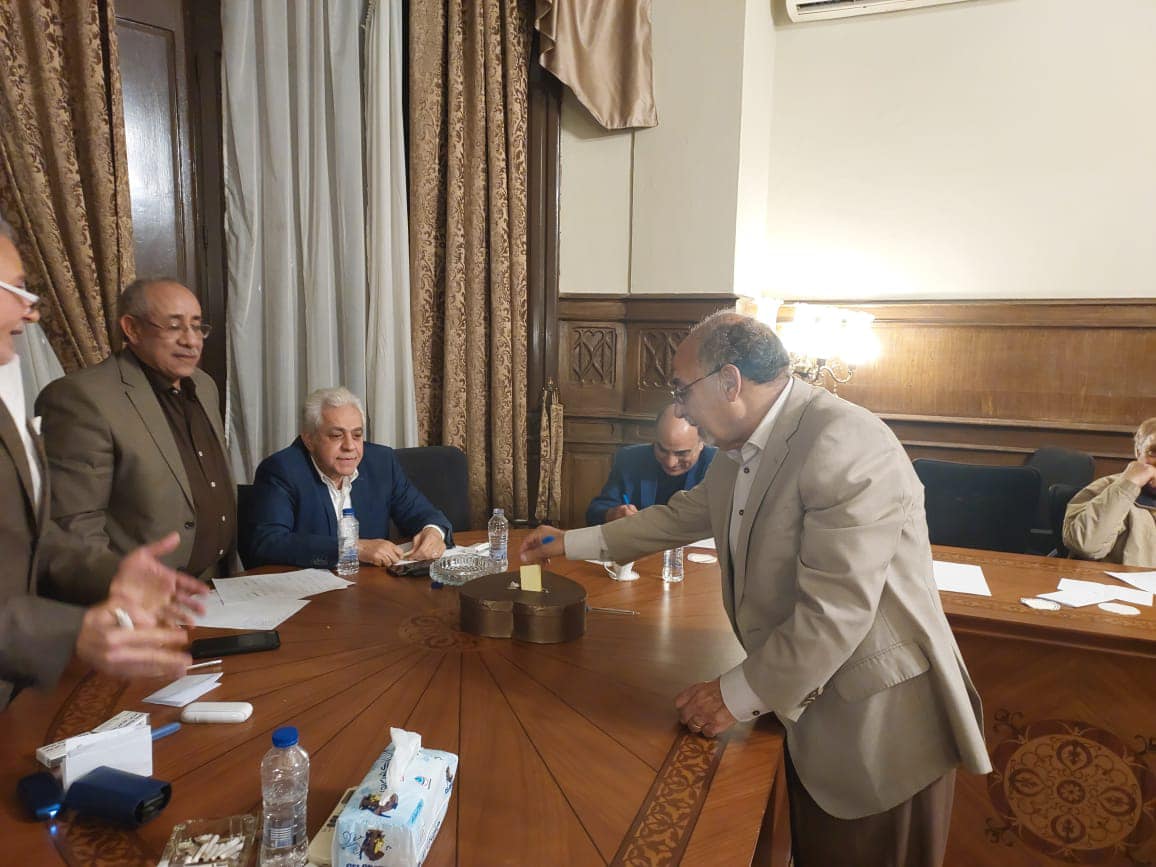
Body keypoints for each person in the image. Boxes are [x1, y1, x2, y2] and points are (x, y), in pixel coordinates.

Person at [521, 312, 990, 867]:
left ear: (730, 382)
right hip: (808, 710)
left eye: (681, 390)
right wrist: (569, 543)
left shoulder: (846, 441)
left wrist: (732, 695)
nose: (679, 410)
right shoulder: (739, 451)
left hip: (879, 732)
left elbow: (835, 613)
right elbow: (678, 518)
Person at [0, 218, 206, 710]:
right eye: (19, 290)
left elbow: (34, 537)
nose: (32, 313)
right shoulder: (80, 397)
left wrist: (112, 574)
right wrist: (69, 630)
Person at [36, 277, 235, 583]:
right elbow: (75, 527)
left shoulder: (204, 386)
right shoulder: (81, 398)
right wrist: (121, 589)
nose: (191, 341)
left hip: (215, 586)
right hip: (138, 594)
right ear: (132, 329)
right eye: (174, 326)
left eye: (197, 327)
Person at [240, 387, 452, 569]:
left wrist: (433, 532)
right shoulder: (282, 470)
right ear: (309, 439)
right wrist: (351, 548)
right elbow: (267, 543)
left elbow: (424, 514)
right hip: (310, 593)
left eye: (357, 435)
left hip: (372, 588)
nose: (350, 446)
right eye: (336, 436)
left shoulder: (381, 463)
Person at [585, 404, 716, 525]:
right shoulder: (630, 458)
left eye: (682, 453)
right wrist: (612, 514)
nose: (670, 462)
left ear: (701, 443)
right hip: (639, 542)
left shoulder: (716, 464)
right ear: (654, 438)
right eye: (662, 449)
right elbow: (595, 512)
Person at [1063, 418, 1156, 567]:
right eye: (1153, 452)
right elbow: (1086, 545)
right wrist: (1128, 486)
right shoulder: (1105, 488)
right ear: (1138, 452)